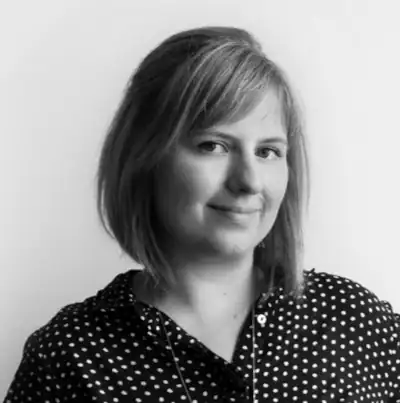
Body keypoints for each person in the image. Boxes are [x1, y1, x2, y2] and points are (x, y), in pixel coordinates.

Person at [3, 26, 400, 403]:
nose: (249, 181)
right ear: (144, 158)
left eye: (268, 151)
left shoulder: (355, 322)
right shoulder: (69, 355)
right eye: (213, 145)